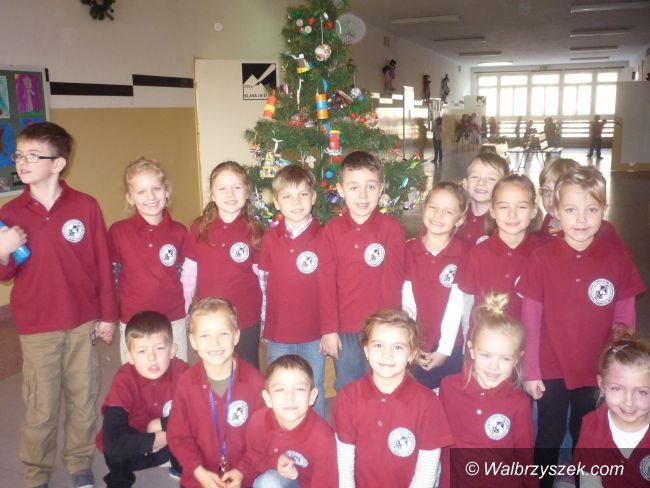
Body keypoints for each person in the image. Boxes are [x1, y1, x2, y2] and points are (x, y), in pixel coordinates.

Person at [0, 122, 118, 488]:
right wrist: (3, 250)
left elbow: (102, 264)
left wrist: (108, 315)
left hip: (82, 323)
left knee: (84, 398)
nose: (22, 162)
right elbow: (5, 274)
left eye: (33, 155)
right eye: (19, 155)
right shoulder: (11, 212)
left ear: (58, 164)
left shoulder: (85, 206)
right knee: (41, 404)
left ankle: (79, 462)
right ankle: (36, 472)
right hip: (38, 327)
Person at [516, 166, 646, 488]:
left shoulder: (617, 259)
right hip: (550, 367)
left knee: (584, 432)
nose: (581, 219)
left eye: (591, 209)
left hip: (595, 369)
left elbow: (624, 320)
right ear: (556, 211)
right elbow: (530, 319)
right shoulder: (541, 259)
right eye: (571, 210)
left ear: (604, 210)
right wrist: (531, 371)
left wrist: (617, 370)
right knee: (549, 433)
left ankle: (579, 480)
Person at [332, 309, 454, 487]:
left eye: (397, 347)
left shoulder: (428, 403)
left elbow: (427, 471)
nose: (387, 355)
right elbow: (344, 463)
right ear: (366, 350)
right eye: (378, 345)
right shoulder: (347, 398)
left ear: (411, 354)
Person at [318, 151, 406, 391]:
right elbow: (325, 283)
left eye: (371, 187)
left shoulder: (391, 229)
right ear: (341, 190)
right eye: (354, 187)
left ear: (381, 189)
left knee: (383, 384)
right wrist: (329, 329)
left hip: (382, 328)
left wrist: (392, 325)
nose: (363, 195)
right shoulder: (331, 231)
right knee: (348, 386)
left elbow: (394, 280)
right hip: (345, 329)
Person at [167, 297, 265, 488]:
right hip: (199, 478)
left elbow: (262, 438)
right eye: (204, 336)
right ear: (193, 341)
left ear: (236, 336)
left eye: (223, 334)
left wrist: (242, 471)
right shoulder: (185, 383)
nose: (215, 343)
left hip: (242, 478)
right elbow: (178, 436)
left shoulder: (255, 383)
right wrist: (198, 471)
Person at [439, 293, 535, 488]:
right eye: (486, 355)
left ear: (516, 359)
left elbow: (525, 456)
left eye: (505, 358)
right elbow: (442, 444)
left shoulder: (519, 402)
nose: (494, 366)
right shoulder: (449, 388)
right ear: (471, 350)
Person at [258, 164, 326, 417]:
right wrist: (265, 324)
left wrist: (329, 328)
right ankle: (283, 432)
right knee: (280, 384)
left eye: (303, 194)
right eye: (287, 196)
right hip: (279, 332)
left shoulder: (324, 237)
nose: (296, 202)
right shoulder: (270, 238)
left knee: (313, 384)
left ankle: (317, 432)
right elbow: (263, 284)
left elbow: (330, 286)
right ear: (277, 202)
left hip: (314, 332)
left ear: (313, 197)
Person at [182, 161, 264, 368]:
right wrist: (184, 308)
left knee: (247, 367)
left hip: (246, 317)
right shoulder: (199, 228)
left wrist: (266, 315)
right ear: (212, 194)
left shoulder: (255, 231)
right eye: (222, 188)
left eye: (237, 187)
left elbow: (263, 280)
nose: (230, 194)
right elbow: (189, 274)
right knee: (214, 365)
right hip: (210, 317)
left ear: (247, 192)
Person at [109, 157, 190, 363]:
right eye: (141, 192)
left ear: (166, 191)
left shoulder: (180, 232)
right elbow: (111, 278)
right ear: (130, 197)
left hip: (173, 319)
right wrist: (107, 315)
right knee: (135, 374)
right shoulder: (118, 232)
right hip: (133, 321)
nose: (151, 197)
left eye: (156, 189)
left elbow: (186, 276)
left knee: (177, 371)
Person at [96, 311, 189, 487]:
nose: (151, 357)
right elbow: (113, 442)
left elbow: (201, 415)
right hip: (134, 446)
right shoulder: (124, 379)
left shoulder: (183, 373)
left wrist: (161, 424)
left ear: (172, 350)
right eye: (141, 351)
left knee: (199, 435)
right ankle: (120, 480)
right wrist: (157, 438)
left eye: (159, 348)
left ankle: (181, 467)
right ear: (130, 357)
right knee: (114, 453)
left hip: (170, 444)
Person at [450, 174, 541, 342]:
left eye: (521, 207)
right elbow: (465, 304)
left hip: (525, 348)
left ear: (534, 210)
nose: (512, 214)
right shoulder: (476, 255)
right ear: (492, 210)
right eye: (503, 207)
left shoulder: (542, 257)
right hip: (482, 347)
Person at [224, 355, 338, 488]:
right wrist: (241, 473)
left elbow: (326, 484)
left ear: (312, 396)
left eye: (299, 389)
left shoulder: (323, 438)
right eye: (280, 389)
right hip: (277, 479)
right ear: (268, 398)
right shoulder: (258, 422)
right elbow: (254, 459)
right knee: (268, 482)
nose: (290, 396)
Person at [402, 182, 469, 389]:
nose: (438, 215)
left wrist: (444, 350)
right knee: (415, 395)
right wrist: (410, 342)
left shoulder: (464, 255)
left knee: (446, 396)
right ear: (424, 208)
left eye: (448, 212)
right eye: (433, 207)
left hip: (450, 345)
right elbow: (406, 302)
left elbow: (457, 306)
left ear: (460, 219)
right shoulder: (408, 251)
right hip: (415, 342)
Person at [573, 328, 650, 487]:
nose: (628, 402)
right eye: (617, 388)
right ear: (602, 385)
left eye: (642, 392)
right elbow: (589, 481)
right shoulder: (590, 426)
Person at [537, 158, 630, 254]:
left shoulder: (605, 230)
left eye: (559, 193)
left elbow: (621, 258)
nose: (551, 199)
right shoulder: (541, 227)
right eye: (546, 191)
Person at [456, 152, 510, 247]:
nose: (481, 182)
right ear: (465, 184)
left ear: (503, 187)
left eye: (491, 179)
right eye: (475, 177)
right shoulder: (455, 214)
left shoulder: (506, 223)